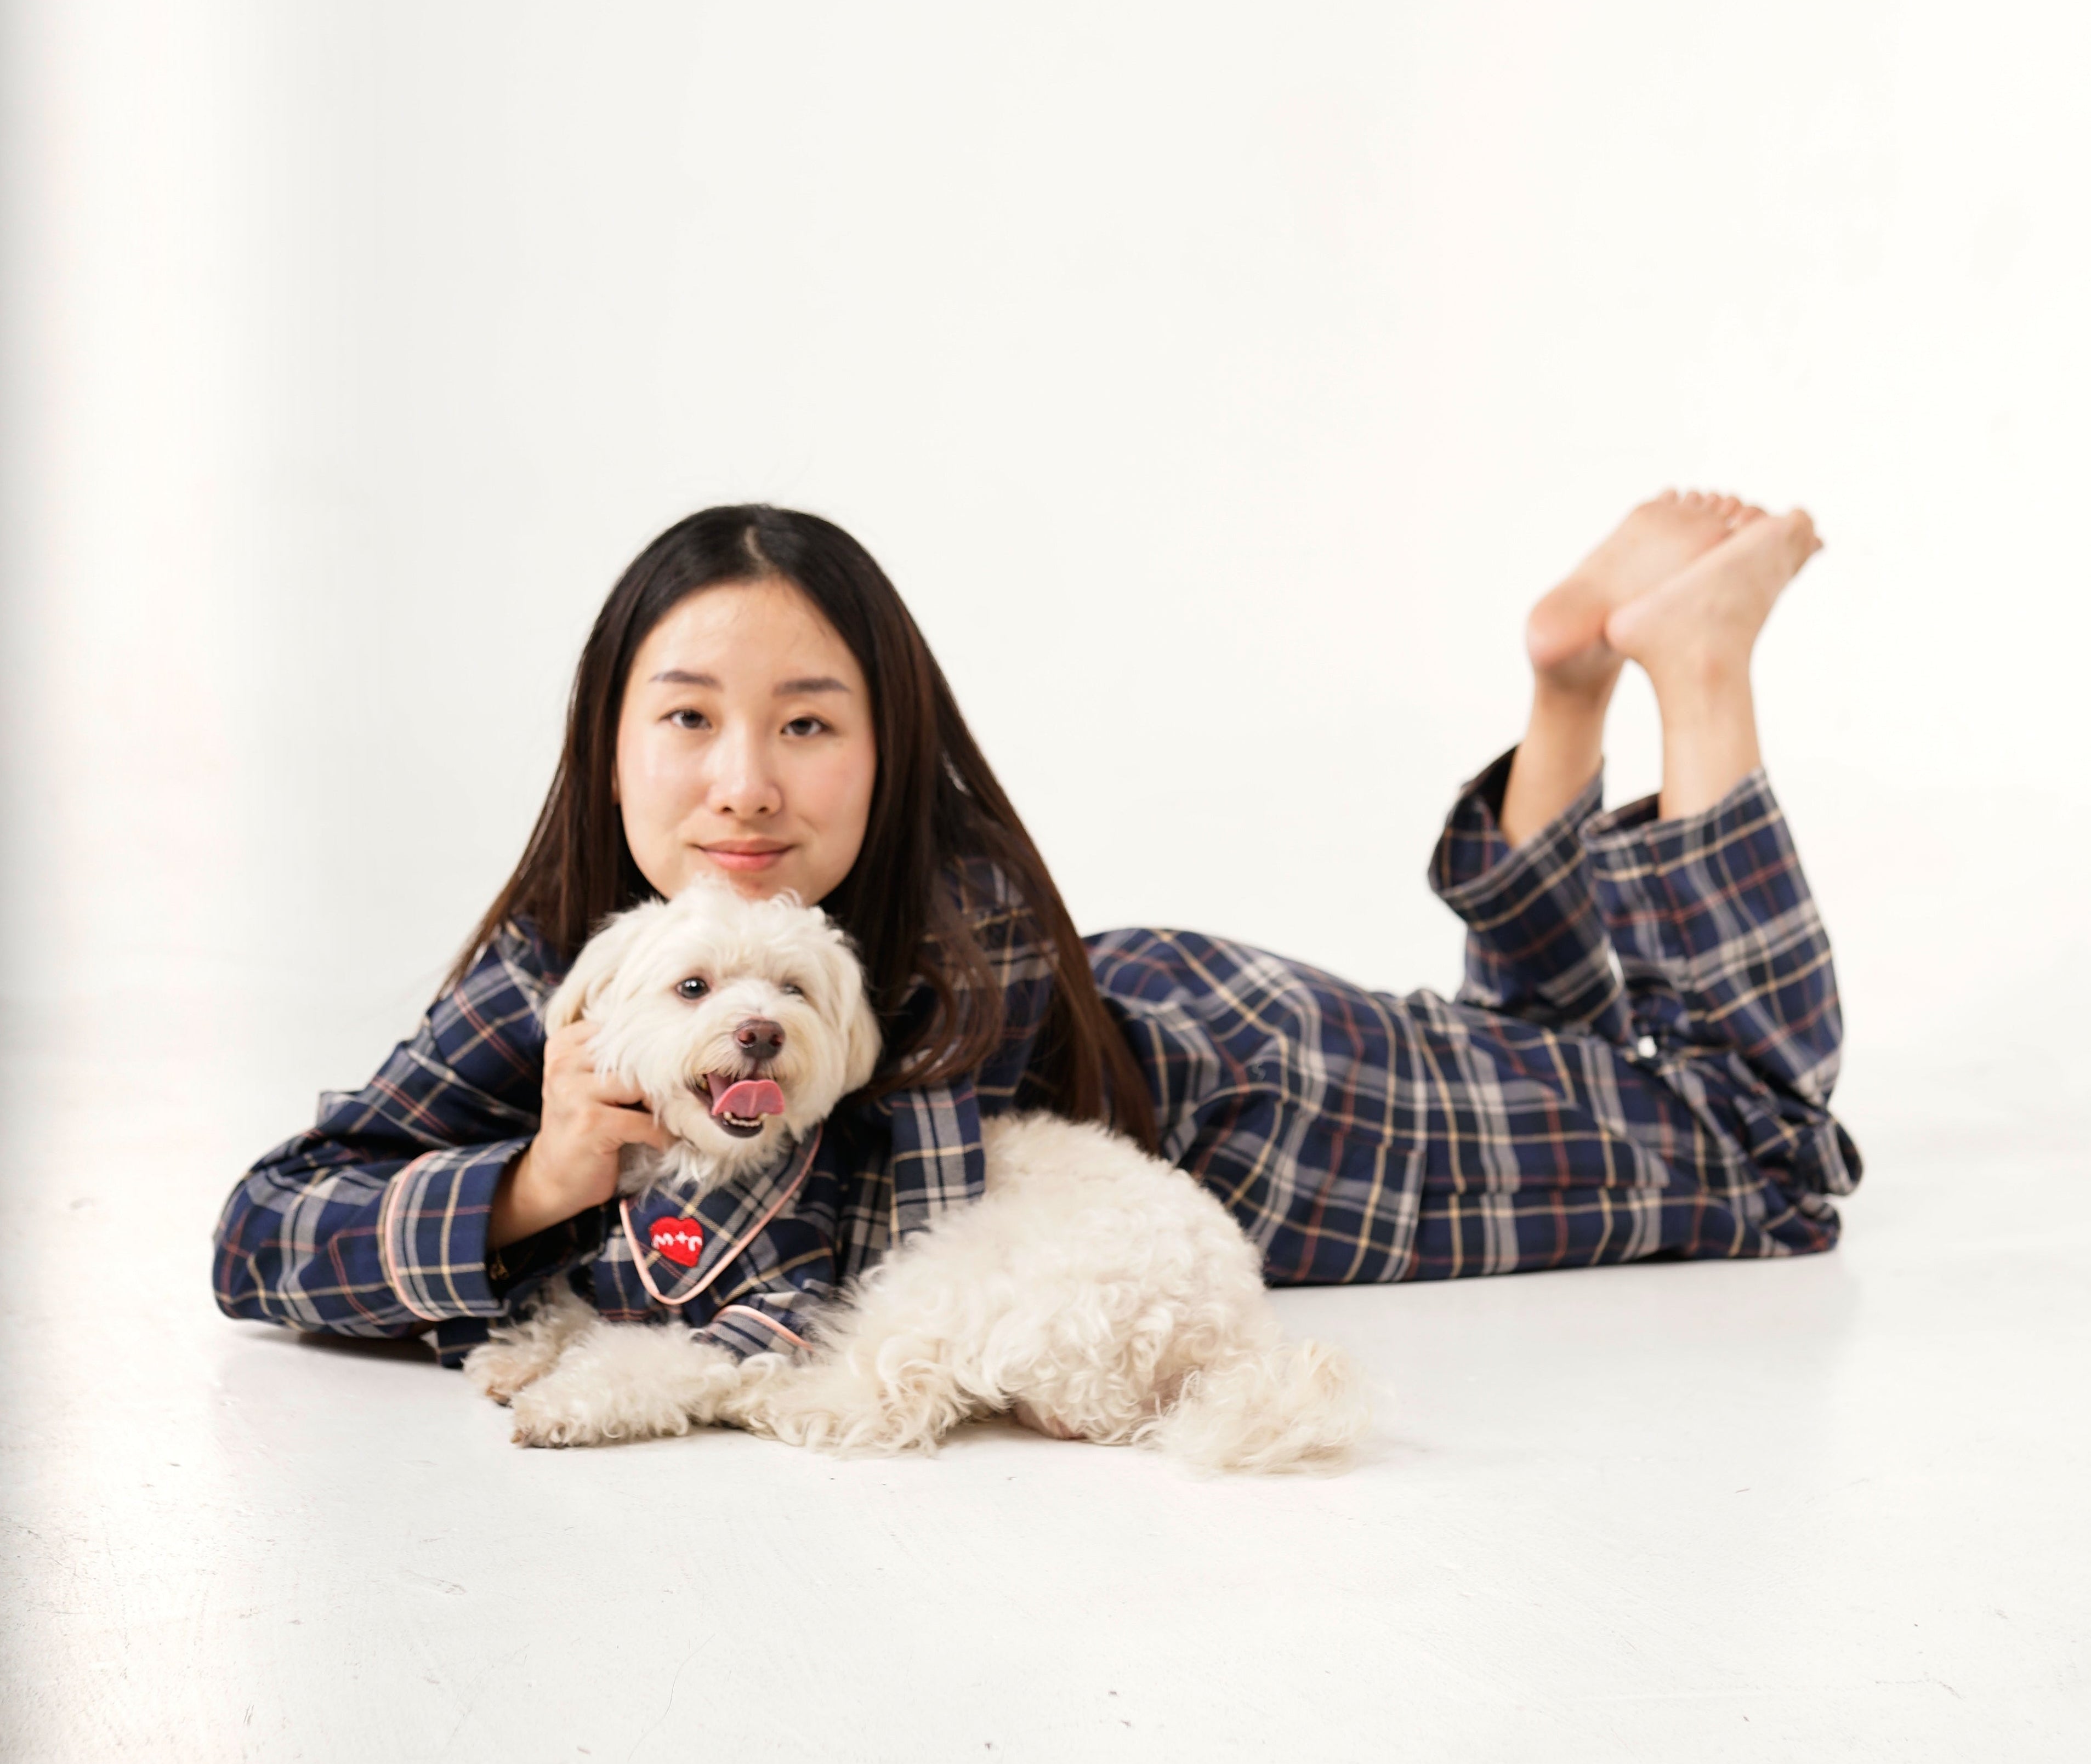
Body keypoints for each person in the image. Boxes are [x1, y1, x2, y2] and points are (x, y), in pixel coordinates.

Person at [213, 496, 1859, 1391]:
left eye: (807, 723)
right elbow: (260, 1235)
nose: (745, 785)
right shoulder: (551, 969)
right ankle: (1571, 689)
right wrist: (539, 1179)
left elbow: (822, 1266)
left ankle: (1699, 670)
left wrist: (550, 1277)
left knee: (1764, 1155)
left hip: (1288, 1123)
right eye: (691, 718)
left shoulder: (952, 933)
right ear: (610, 741)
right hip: (1194, 1019)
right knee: (1569, 1055)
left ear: (888, 745)